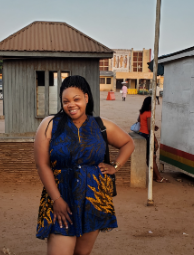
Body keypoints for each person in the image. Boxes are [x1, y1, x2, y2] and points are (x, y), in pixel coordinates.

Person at [34, 75, 134, 255]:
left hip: (93, 200)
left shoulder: (101, 126)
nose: (71, 105)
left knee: (82, 253)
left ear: (86, 98)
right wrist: (57, 200)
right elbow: (43, 165)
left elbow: (128, 143)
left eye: (76, 99)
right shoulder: (50, 125)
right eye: (66, 101)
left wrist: (115, 167)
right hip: (61, 198)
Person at [138, 96, 168, 183]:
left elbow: (140, 122)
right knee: (153, 157)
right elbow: (149, 129)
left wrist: (153, 126)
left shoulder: (141, 112)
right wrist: (155, 140)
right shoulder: (149, 113)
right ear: (149, 104)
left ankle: (155, 176)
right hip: (147, 136)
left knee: (149, 158)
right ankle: (158, 177)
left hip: (142, 134)